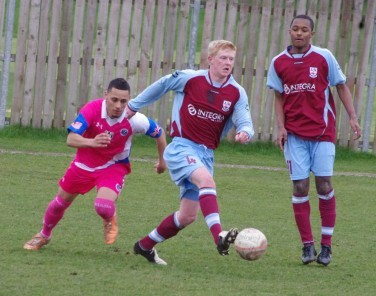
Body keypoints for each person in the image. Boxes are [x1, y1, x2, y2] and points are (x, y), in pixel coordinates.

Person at [125, 40, 254, 265]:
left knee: (187, 216)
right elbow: (162, 85)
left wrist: (245, 132)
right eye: (223, 58)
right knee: (207, 181)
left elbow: (245, 121)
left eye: (231, 59)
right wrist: (133, 106)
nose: (228, 63)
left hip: (206, 155)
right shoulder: (190, 78)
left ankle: (145, 245)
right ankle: (220, 236)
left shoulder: (236, 92)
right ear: (210, 59)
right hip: (182, 147)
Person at [24, 78, 167, 250]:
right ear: (106, 95)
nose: (118, 106)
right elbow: (71, 139)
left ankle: (109, 218)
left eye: (123, 101)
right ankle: (44, 235)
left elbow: (159, 133)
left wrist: (162, 162)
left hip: (113, 166)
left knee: (103, 206)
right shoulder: (92, 109)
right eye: (114, 99)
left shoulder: (135, 119)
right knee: (59, 203)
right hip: (83, 164)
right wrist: (92, 142)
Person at [266, 15, 361, 266]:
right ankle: (307, 245)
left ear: (312, 34)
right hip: (295, 135)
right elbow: (278, 96)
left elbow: (341, 86)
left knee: (324, 185)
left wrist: (352, 117)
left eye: (304, 30)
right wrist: (281, 127)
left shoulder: (324, 57)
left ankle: (326, 247)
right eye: (295, 29)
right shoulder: (278, 62)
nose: (299, 33)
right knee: (299, 188)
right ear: (289, 31)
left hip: (322, 133)